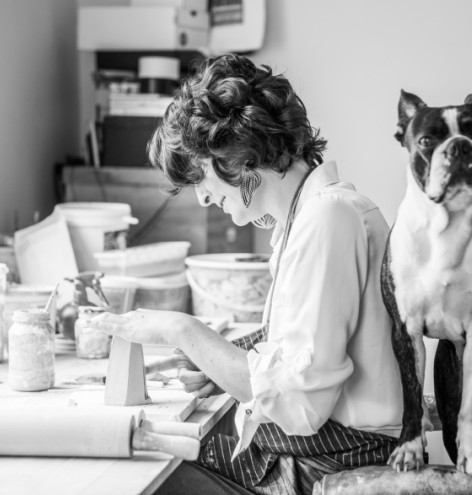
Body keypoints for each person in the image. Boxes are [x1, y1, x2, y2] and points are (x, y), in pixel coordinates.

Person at [90, 53, 404, 495]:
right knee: (155, 454)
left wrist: (185, 331)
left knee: (144, 479)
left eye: (201, 177)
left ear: (237, 154)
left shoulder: (329, 219)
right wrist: (218, 361)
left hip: (332, 470)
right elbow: (298, 352)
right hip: (324, 457)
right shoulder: (308, 220)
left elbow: (300, 404)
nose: (201, 198)